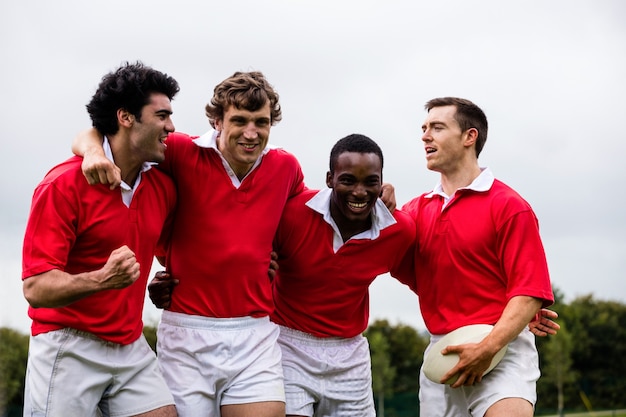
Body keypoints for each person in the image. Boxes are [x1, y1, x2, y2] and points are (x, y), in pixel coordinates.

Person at [73, 71, 306, 417]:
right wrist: (93, 153)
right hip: (187, 334)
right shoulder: (180, 151)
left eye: (262, 122)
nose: (252, 133)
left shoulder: (286, 167)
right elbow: (96, 132)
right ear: (216, 121)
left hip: (255, 333)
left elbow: (310, 221)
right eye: (239, 120)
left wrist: (381, 200)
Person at [21, 62, 179, 417]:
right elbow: (36, 287)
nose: (171, 126)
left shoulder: (162, 187)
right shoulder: (61, 185)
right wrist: (102, 279)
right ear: (125, 118)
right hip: (67, 343)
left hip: (130, 343)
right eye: (162, 115)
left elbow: (170, 250)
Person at [401, 97, 554, 417]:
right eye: (424, 128)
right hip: (442, 356)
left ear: (470, 136)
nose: (425, 136)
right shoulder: (414, 212)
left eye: (437, 127)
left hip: (503, 352)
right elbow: (384, 260)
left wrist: (489, 346)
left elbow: (528, 292)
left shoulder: (510, 206)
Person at [271, 134, 416, 416]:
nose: (359, 192)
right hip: (287, 346)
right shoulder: (291, 213)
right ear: (330, 179)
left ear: (382, 182)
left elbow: (428, 280)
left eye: (370, 182)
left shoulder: (399, 231)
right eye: (348, 180)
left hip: (350, 355)